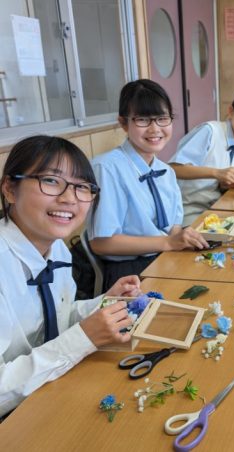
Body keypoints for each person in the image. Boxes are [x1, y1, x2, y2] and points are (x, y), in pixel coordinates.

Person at [0, 136, 142, 419]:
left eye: (81, 187)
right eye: (51, 181)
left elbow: (54, 317)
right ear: (10, 189)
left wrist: (104, 304)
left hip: (50, 390)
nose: (69, 198)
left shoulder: (57, 249)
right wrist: (82, 338)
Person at [88, 79, 208, 289]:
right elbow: (101, 243)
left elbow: (173, 226)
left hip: (165, 256)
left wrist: (181, 238)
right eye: (143, 120)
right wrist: (168, 243)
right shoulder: (107, 168)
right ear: (123, 123)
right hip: (129, 271)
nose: (155, 129)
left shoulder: (167, 171)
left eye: (162, 119)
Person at [170, 89, 234, 225]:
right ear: (231, 111)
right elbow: (174, 168)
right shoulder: (210, 131)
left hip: (216, 208)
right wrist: (217, 173)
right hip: (188, 211)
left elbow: (218, 184)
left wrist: (226, 184)